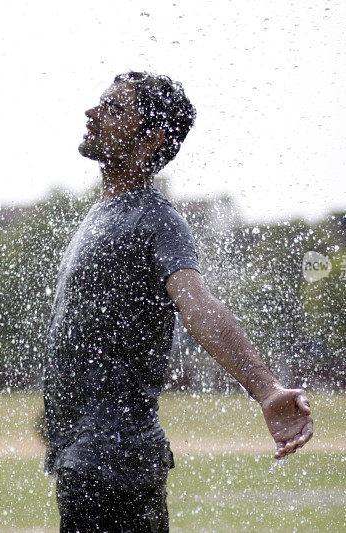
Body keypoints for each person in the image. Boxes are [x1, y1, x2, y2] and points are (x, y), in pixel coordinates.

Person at [42, 71, 314, 532]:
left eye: (112, 110)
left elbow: (199, 306)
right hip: (87, 459)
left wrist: (266, 389)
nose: (91, 115)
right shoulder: (102, 213)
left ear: (150, 141)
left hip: (114, 462)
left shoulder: (156, 219)